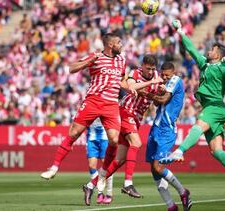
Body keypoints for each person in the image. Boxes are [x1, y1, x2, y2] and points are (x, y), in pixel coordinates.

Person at [159, 20, 225, 195]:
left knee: (198, 125)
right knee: (216, 150)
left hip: (214, 107)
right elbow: (191, 49)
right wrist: (180, 31)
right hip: (214, 108)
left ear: (218, 54)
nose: (209, 50)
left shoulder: (223, 67)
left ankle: (179, 151)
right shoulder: (205, 64)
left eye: (212, 49)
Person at [40, 32, 137, 181]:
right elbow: (72, 68)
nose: (121, 45)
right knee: (73, 133)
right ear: (110, 45)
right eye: (119, 42)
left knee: (114, 139)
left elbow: (120, 81)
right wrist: (89, 61)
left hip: (111, 103)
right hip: (93, 100)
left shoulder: (121, 60)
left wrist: (130, 87)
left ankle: (103, 172)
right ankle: (53, 168)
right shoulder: (96, 57)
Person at [83, 55, 163, 201]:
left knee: (119, 159)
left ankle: (90, 185)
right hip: (126, 112)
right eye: (148, 69)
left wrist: (160, 92)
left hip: (137, 118)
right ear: (142, 66)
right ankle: (128, 183)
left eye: (153, 69)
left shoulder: (157, 77)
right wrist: (151, 82)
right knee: (137, 143)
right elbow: (131, 87)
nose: (151, 72)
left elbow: (156, 102)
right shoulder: (135, 73)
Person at [145, 62, 192, 211]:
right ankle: (171, 206)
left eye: (167, 75)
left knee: (158, 167)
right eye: (163, 74)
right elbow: (158, 104)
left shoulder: (176, 80)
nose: (164, 77)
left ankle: (183, 192)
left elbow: (163, 100)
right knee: (153, 168)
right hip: (156, 128)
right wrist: (157, 93)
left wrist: (146, 93)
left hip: (167, 130)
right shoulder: (166, 84)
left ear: (174, 72)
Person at [86, 118, 113, 204]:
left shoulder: (105, 105)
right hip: (91, 137)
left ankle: (109, 193)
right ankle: (100, 193)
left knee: (106, 165)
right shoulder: (85, 105)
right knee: (92, 166)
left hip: (104, 137)